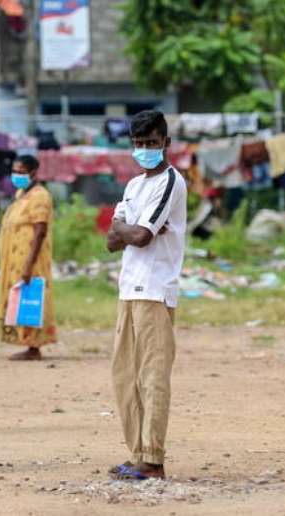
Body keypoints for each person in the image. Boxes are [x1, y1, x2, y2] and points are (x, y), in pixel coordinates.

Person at [106, 110, 187, 481]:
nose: (144, 150)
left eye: (151, 144)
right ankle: (137, 452)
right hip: (128, 287)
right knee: (125, 374)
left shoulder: (170, 182)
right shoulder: (133, 185)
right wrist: (127, 228)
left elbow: (140, 236)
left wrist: (126, 228)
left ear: (165, 143)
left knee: (152, 375)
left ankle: (153, 457)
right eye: (138, 144)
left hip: (155, 289)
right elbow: (112, 240)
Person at [0, 154, 56, 361]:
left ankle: (34, 347)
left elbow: (40, 230)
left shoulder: (41, 196)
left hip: (31, 257)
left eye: (21, 172)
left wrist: (29, 264)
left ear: (33, 172)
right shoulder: (22, 192)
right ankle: (26, 342)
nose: (17, 175)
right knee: (19, 298)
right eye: (15, 171)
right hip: (14, 258)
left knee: (31, 297)